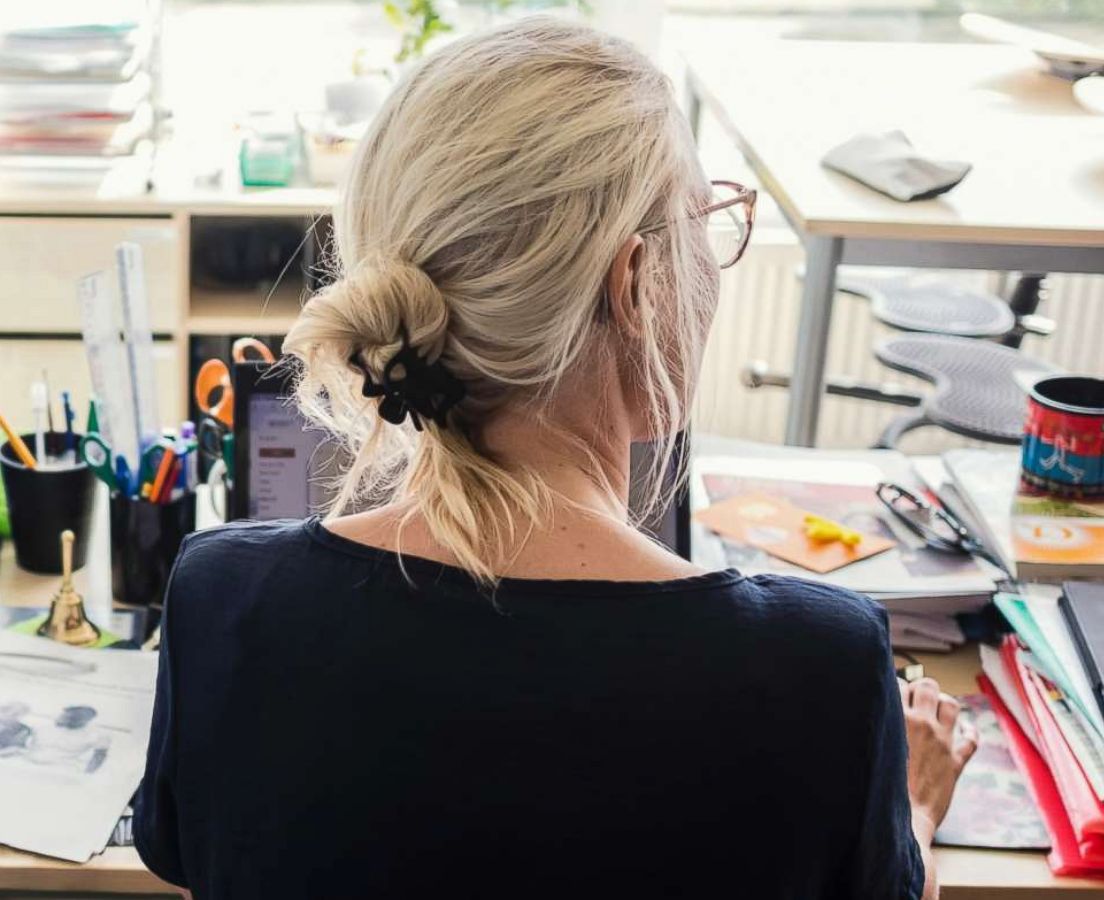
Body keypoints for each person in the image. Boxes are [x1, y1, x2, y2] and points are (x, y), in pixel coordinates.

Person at [134, 16, 976, 900]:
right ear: (636, 280)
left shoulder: (222, 604)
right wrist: (913, 811)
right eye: (708, 220)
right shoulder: (820, 673)